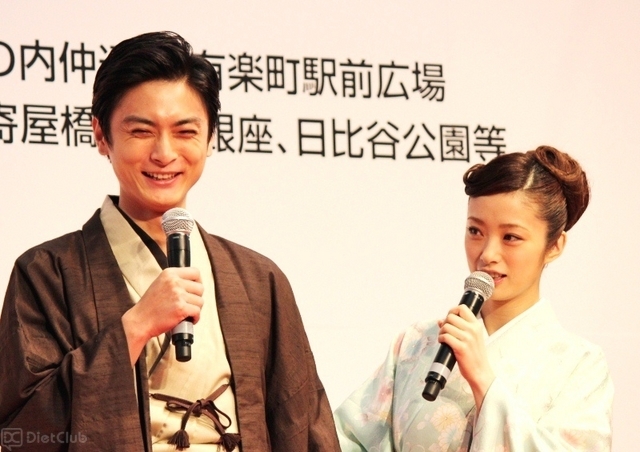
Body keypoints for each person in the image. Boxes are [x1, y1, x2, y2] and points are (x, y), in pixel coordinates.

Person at [0, 31, 339, 451]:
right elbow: (22, 431)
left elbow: (302, 423)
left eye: (185, 131)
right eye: (142, 131)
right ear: (101, 135)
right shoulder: (46, 273)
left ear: (211, 138)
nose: (164, 153)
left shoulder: (258, 279)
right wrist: (134, 327)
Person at [333, 146, 614, 451]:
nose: (487, 254)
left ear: (555, 245)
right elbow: (348, 439)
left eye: (511, 237)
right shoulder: (417, 343)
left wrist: (483, 379)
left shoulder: (580, 366)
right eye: (475, 231)